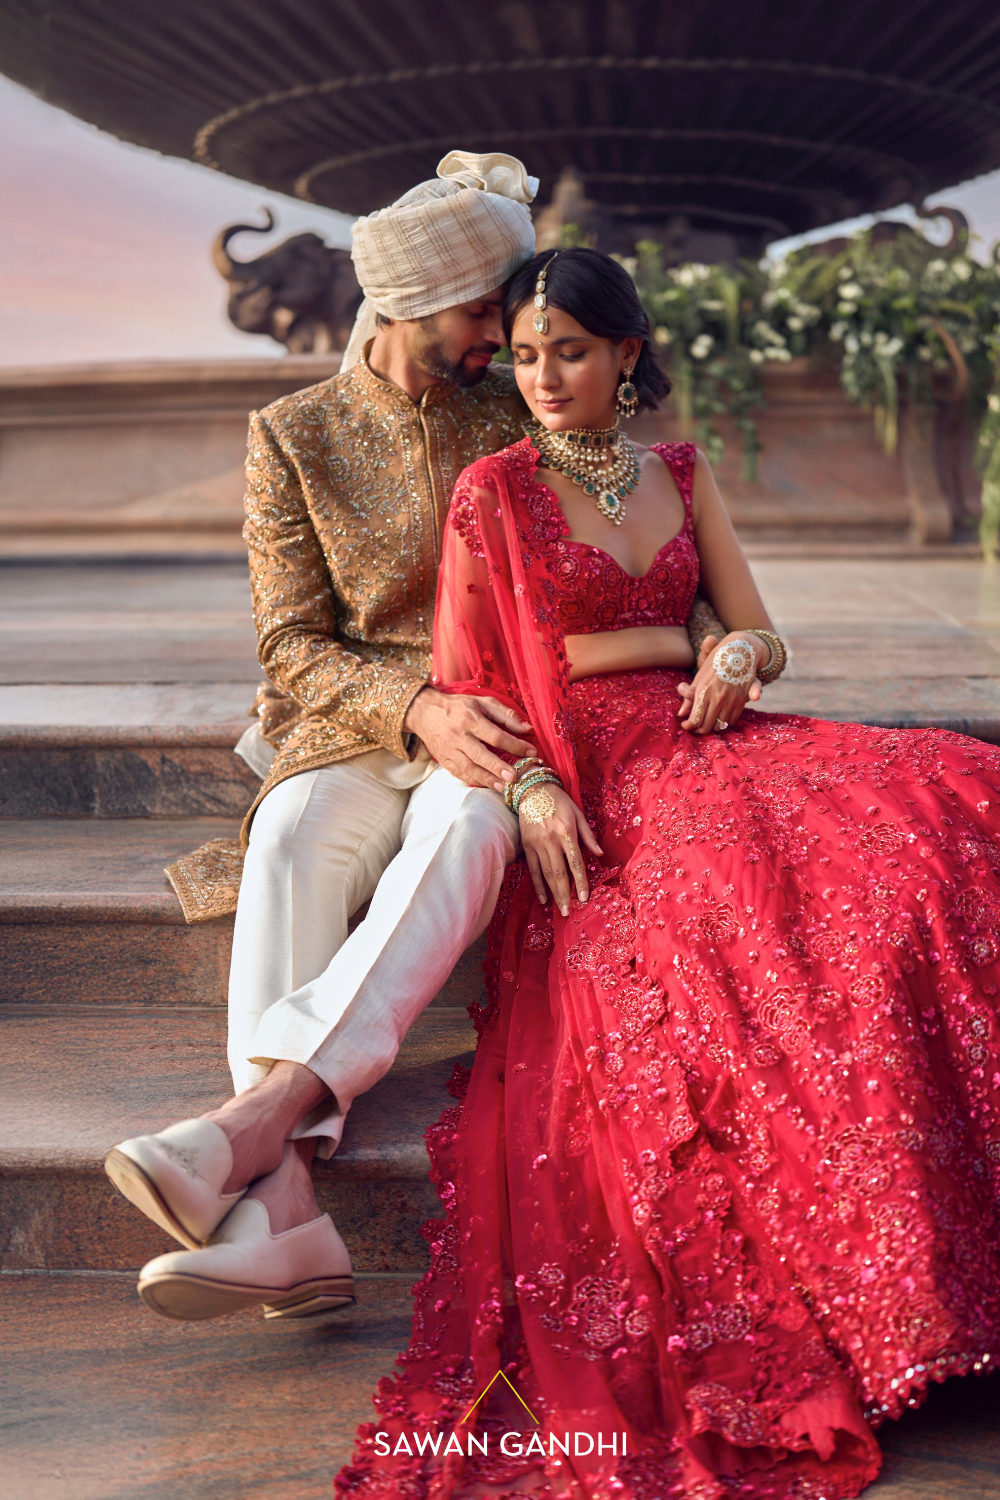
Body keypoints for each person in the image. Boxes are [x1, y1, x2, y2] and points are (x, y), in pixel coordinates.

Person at [337, 248, 1000, 1500]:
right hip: (604, 773)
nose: (540, 376)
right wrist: (534, 784)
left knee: (946, 807)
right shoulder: (493, 490)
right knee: (763, 915)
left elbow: (760, 626)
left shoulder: (677, 474)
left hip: (716, 737)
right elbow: (472, 683)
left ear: (629, 354)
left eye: (570, 352)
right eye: (525, 355)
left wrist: (736, 658)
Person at [103, 157, 724, 1324]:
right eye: (483, 311)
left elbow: (650, 546)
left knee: (465, 831)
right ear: (402, 306)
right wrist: (410, 705)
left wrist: (720, 644)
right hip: (354, 726)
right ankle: (278, 1193)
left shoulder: (523, 407)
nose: (509, 332)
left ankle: (254, 1146)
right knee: (291, 835)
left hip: (501, 725)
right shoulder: (296, 434)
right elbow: (288, 645)